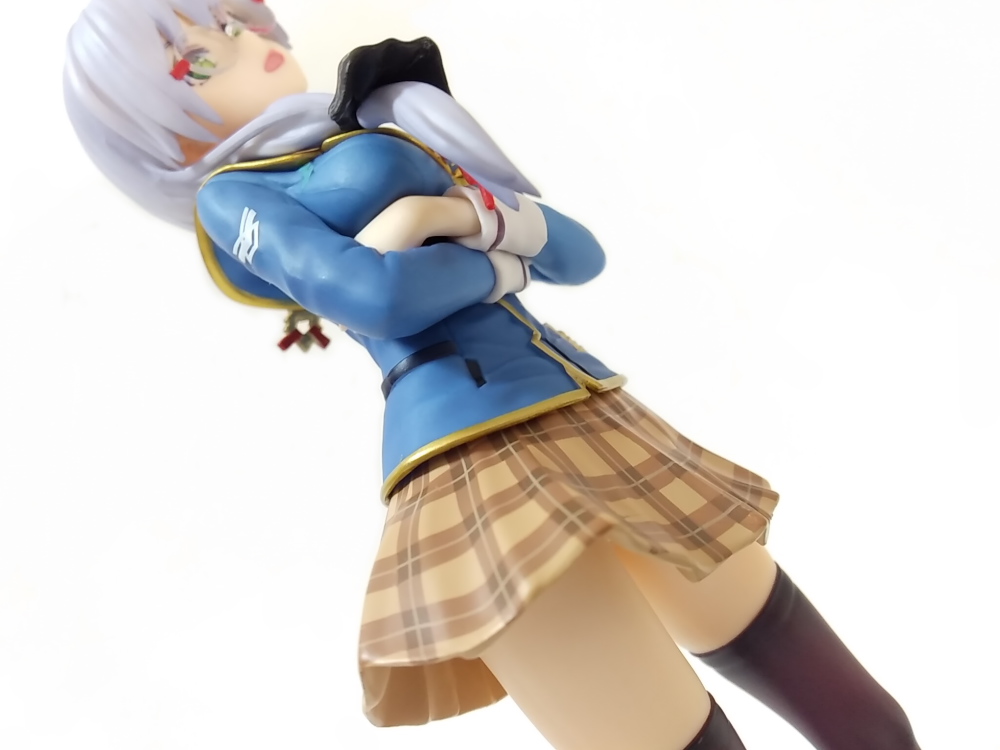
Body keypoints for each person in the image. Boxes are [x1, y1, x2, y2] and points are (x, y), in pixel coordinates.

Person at [64, 1, 922, 748]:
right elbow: (373, 296)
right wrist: (490, 249)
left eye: (230, 21)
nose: (244, 42)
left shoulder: (383, 114)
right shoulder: (233, 197)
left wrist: (434, 217)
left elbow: (576, 252)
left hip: (588, 412)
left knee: (869, 726)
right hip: (469, 461)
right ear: (158, 125)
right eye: (198, 58)